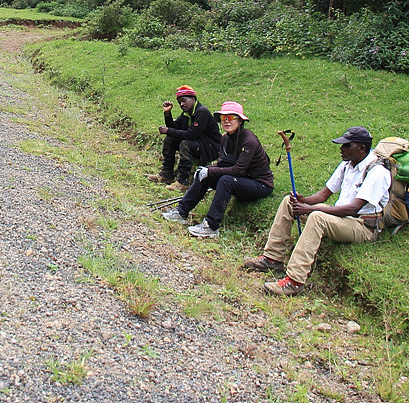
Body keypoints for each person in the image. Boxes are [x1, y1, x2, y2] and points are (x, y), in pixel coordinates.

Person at [243, 126, 391, 296]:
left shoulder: (377, 172)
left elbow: (353, 208)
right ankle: (272, 258)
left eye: (347, 145)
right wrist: (303, 200)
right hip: (342, 216)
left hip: (361, 225)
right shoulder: (347, 164)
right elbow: (324, 194)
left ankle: (295, 281)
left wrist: (310, 209)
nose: (341, 149)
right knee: (289, 202)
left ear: (362, 148)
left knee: (317, 217)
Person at [161, 101, 274, 238]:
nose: (226, 121)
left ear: (240, 121)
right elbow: (222, 163)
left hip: (259, 184)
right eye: (223, 118)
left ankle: (211, 225)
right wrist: (205, 170)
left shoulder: (249, 141)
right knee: (205, 175)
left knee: (225, 180)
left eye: (231, 117)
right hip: (241, 179)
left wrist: (210, 171)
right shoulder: (225, 138)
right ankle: (181, 211)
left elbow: (238, 170)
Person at [145, 85, 221, 192]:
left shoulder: (202, 112)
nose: (181, 104)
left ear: (193, 99)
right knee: (170, 139)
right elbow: (175, 127)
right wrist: (167, 113)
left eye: (184, 100)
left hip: (210, 148)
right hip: (197, 143)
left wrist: (169, 130)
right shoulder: (187, 113)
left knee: (185, 143)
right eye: (179, 102)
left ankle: (183, 181)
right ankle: (166, 173)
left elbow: (191, 135)